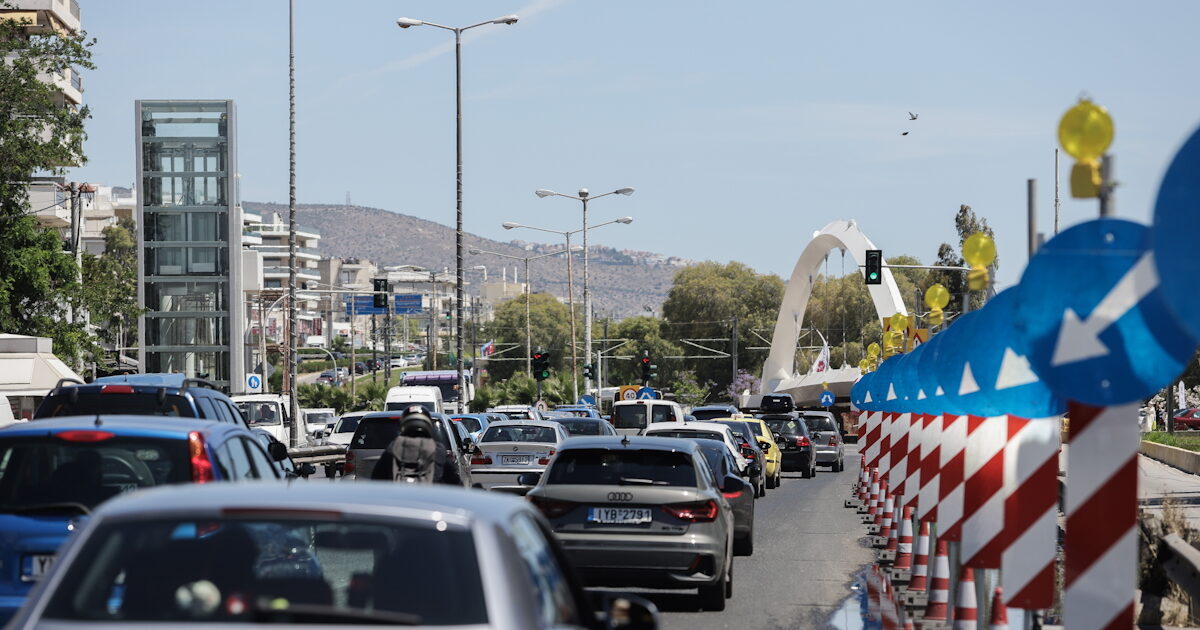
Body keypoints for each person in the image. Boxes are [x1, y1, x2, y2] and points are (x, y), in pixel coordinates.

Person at [372, 405, 461, 485]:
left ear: (403, 425)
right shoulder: (438, 450)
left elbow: (376, 482)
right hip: (431, 501)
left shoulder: (393, 447)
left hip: (397, 501)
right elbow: (455, 483)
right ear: (429, 425)